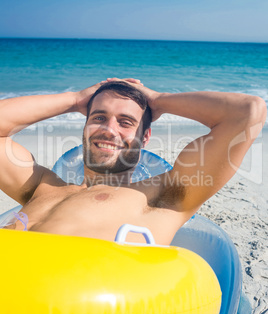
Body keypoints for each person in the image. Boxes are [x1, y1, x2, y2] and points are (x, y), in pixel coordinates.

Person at [0, 78, 266, 244]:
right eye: (98, 118)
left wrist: (158, 101)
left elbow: (247, 112)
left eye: (125, 122)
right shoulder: (41, 187)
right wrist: (75, 99)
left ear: (145, 136)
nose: (109, 129)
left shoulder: (164, 196)